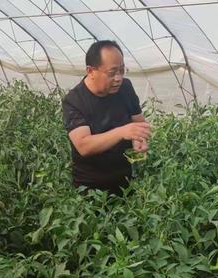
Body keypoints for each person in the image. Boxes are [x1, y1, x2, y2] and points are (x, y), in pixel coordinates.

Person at [62, 40, 151, 194]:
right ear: (90, 71)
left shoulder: (125, 88)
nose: (118, 78)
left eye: (122, 71)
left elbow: (138, 123)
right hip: (91, 188)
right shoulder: (75, 100)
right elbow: (84, 146)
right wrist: (122, 132)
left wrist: (139, 140)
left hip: (125, 182)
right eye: (112, 73)